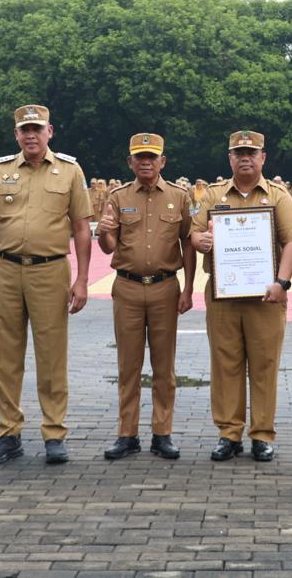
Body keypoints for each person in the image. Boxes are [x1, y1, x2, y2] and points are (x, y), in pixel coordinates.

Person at [0, 104, 92, 466]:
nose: (31, 135)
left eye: (37, 129)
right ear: (16, 135)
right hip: (5, 270)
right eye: (25, 130)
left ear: (50, 131)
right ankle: (9, 433)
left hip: (50, 270)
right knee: (7, 354)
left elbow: (82, 227)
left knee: (52, 355)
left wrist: (82, 279)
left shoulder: (69, 170)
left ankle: (54, 432)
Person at [191, 130, 292, 462]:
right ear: (229, 158)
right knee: (225, 364)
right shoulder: (213, 196)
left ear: (263, 158)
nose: (245, 157)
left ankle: (262, 434)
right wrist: (204, 242)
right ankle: (229, 433)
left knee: (265, 365)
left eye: (251, 152)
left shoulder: (279, 196)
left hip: (265, 297)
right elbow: (194, 234)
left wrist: (282, 283)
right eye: (238, 152)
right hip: (223, 296)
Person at [95, 133, 196, 460]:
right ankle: (127, 434)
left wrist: (190, 288)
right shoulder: (117, 197)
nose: (146, 162)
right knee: (128, 365)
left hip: (166, 288)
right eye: (140, 157)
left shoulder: (179, 197)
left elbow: (189, 244)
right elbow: (108, 247)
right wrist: (105, 230)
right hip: (126, 287)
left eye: (152, 157)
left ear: (162, 161)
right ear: (130, 162)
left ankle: (162, 433)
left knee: (164, 365)